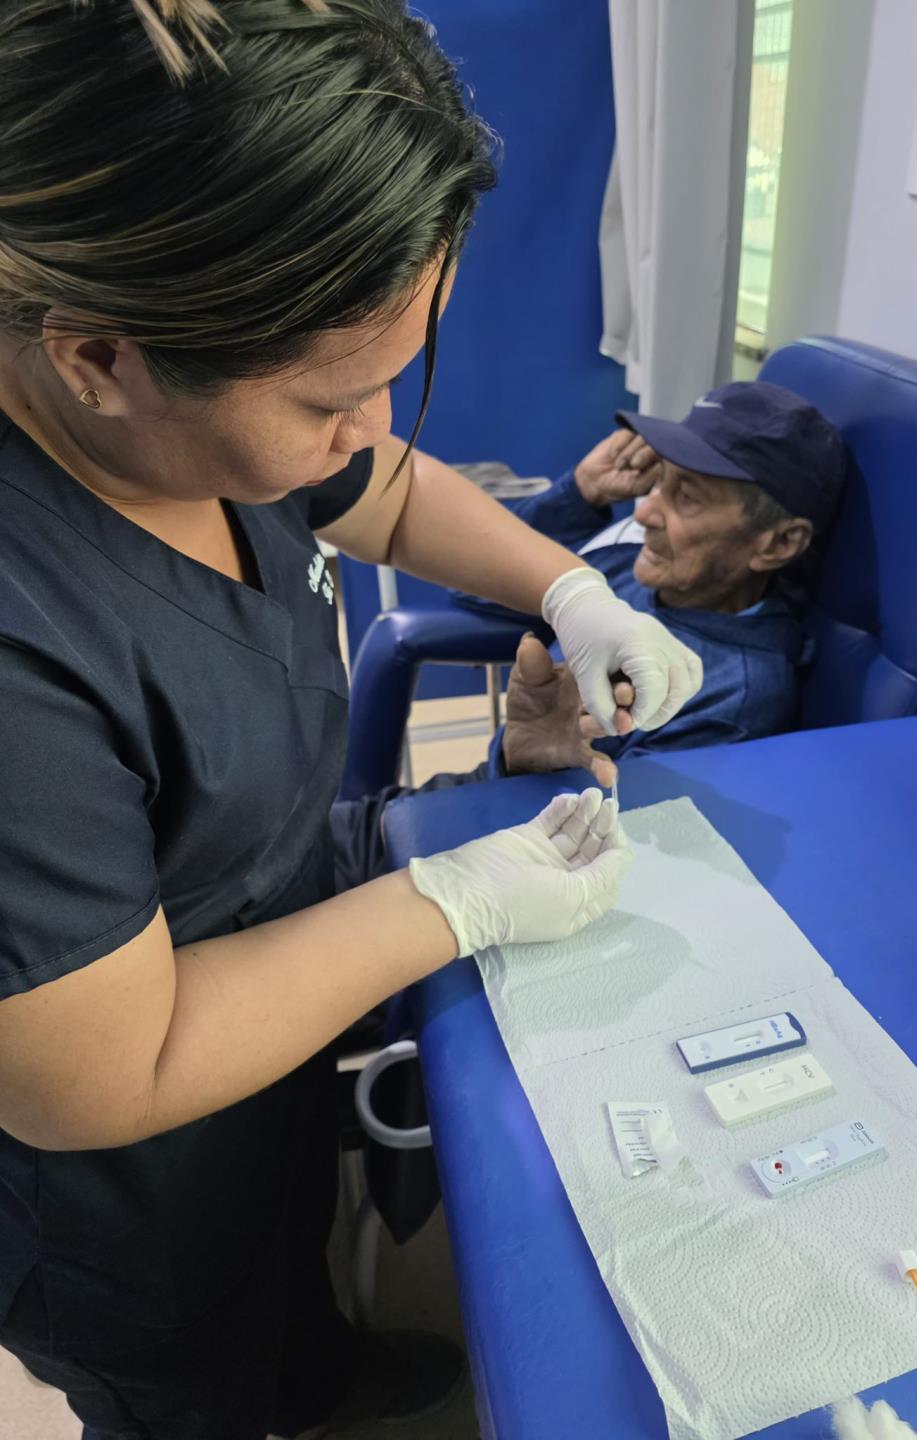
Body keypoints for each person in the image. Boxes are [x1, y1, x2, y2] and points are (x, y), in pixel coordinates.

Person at [0, 5, 703, 1439]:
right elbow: (100, 1078)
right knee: (190, 1373)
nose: (372, 422)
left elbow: (374, 489)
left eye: (394, 369)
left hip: (262, 998)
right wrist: (453, 900)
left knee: (288, 1266)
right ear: (97, 359)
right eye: (332, 393)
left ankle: (318, 1374)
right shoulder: (26, 635)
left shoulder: (199, 413)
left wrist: (571, 590)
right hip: (120, 1181)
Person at [452, 382, 847, 782]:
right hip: (491, 782)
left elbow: (609, 817)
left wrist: (521, 762)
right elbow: (476, 594)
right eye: (660, 480)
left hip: (500, 803)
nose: (643, 514)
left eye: (687, 497)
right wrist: (582, 493)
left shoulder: (733, 696)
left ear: (779, 543)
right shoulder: (634, 570)